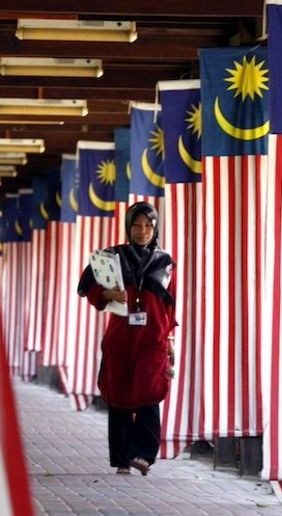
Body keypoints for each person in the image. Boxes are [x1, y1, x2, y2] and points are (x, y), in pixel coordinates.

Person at [77, 201, 176, 475]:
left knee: (149, 391)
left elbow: (171, 305)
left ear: (155, 228)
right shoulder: (111, 257)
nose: (142, 230)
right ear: (128, 226)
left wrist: (170, 339)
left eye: (148, 225)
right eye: (137, 224)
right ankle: (122, 458)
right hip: (121, 337)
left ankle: (143, 454)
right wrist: (109, 294)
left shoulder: (165, 262)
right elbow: (86, 287)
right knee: (119, 393)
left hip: (153, 338)